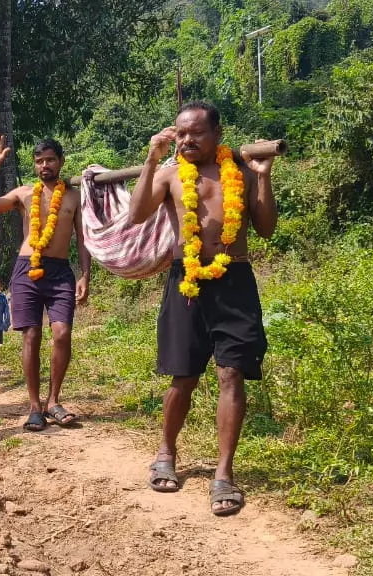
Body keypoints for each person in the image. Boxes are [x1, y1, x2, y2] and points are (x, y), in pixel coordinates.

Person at [128, 101, 276, 517]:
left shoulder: (242, 173)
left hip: (235, 280)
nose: (187, 140)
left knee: (232, 373)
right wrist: (152, 158)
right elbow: (137, 214)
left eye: (196, 133)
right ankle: (166, 452)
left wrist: (263, 178)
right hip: (186, 281)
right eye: (181, 133)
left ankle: (224, 475)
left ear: (217, 134)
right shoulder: (170, 174)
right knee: (184, 376)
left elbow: (265, 228)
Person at [0, 134, 91, 433]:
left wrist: (85, 274)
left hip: (60, 271)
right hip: (27, 269)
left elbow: (83, 240)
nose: (44, 165)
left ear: (61, 161)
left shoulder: (74, 196)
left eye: (50, 159)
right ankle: (34, 406)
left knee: (62, 333)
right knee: (31, 336)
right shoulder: (25, 194)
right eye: (39, 161)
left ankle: (53, 400)